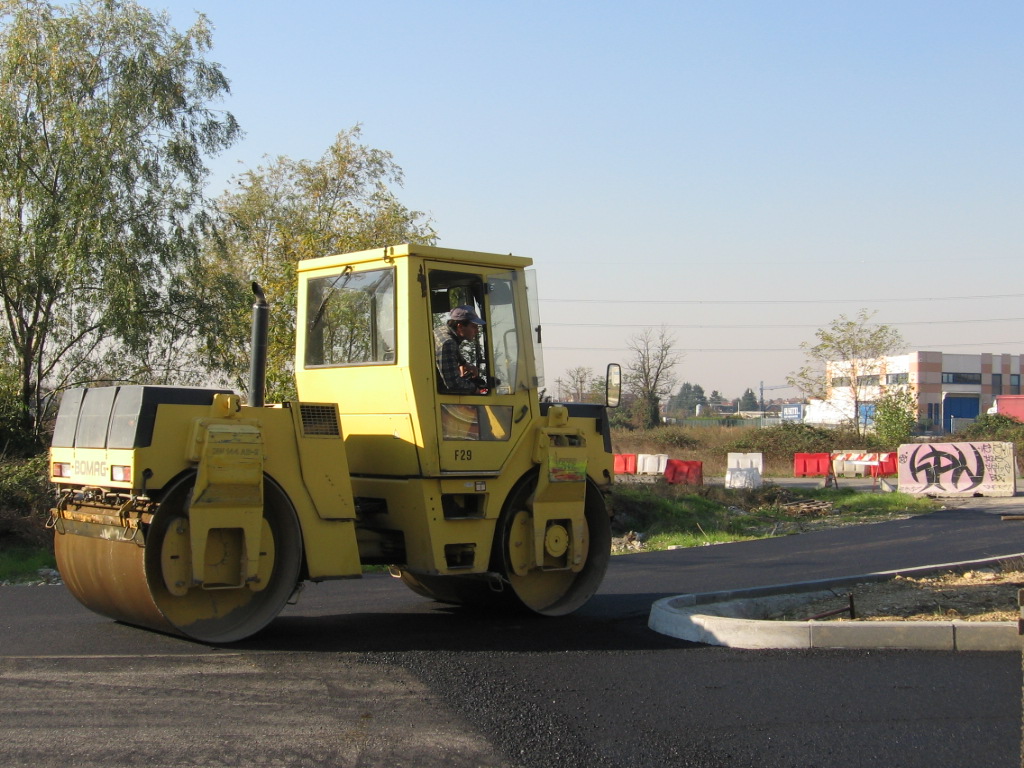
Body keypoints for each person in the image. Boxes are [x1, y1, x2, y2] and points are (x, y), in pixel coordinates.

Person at [435, 305, 486, 394]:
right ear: (460, 326)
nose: (477, 331)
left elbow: (452, 351)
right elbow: (453, 384)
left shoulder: (442, 331)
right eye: (474, 327)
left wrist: (464, 363)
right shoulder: (448, 343)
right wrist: (475, 389)